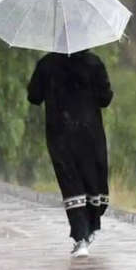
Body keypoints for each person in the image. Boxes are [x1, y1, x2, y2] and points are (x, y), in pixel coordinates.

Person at [27, 49, 113, 258]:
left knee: (71, 184)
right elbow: (105, 98)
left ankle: (81, 236)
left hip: (60, 135)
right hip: (90, 134)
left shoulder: (46, 64)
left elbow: (34, 97)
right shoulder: (94, 63)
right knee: (93, 181)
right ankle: (89, 228)